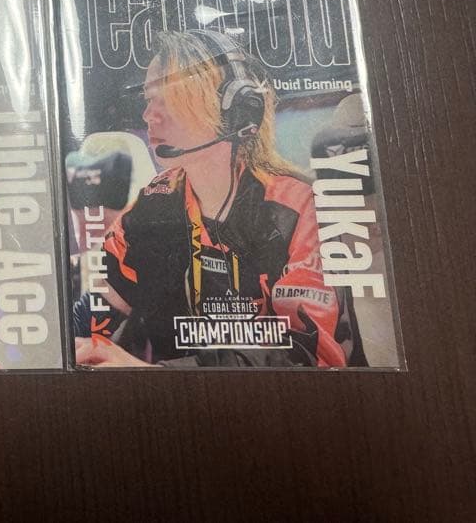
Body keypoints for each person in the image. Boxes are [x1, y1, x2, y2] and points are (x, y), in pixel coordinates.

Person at [75, 30, 365, 368]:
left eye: (167, 98)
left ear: (236, 110)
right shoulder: (156, 201)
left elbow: (311, 356)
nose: (148, 115)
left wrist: (153, 374)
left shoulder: (299, 209)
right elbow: (99, 306)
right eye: (148, 99)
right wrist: (74, 342)